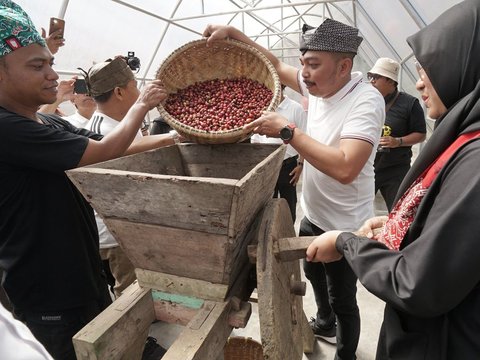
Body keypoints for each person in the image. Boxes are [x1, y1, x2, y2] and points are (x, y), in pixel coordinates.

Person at [306, 1, 480, 359]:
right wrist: (408, 223)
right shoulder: (465, 138)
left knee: (342, 299)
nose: (419, 82)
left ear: (464, 65)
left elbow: (417, 283)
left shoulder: (475, 159)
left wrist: (346, 243)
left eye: (428, 69)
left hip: (444, 343)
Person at [204, 18, 384, 360]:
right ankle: (325, 321)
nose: (304, 72)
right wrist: (234, 34)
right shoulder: (318, 85)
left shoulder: (366, 101)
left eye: (313, 64)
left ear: (344, 66)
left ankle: (345, 353)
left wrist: (289, 131)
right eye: (303, 63)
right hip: (312, 214)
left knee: (343, 297)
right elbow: (273, 64)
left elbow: (346, 167)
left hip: (346, 225)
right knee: (314, 276)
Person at [0, 2, 169, 359]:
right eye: (37, 65)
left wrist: (173, 138)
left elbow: (117, 147)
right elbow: (105, 150)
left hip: (82, 275)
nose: (52, 74)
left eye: (49, 62)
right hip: (49, 292)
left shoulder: (46, 123)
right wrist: (143, 106)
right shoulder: (6, 128)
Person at [368, 57, 426, 211]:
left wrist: (397, 141)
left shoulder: (409, 104)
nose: (371, 81)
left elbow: (421, 134)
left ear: (390, 81)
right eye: (370, 77)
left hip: (395, 170)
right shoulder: (366, 100)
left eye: (376, 77)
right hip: (367, 168)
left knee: (399, 211)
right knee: (354, 213)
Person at [250, 85, 307, 222]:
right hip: (267, 165)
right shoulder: (263, 109)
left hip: (289, 167)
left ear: (282, 88)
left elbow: (305, 137)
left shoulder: (295, 108)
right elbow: (256, 138)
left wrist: (300, 165)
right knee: (267, 206)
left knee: (289, 205)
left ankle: (288, 233)